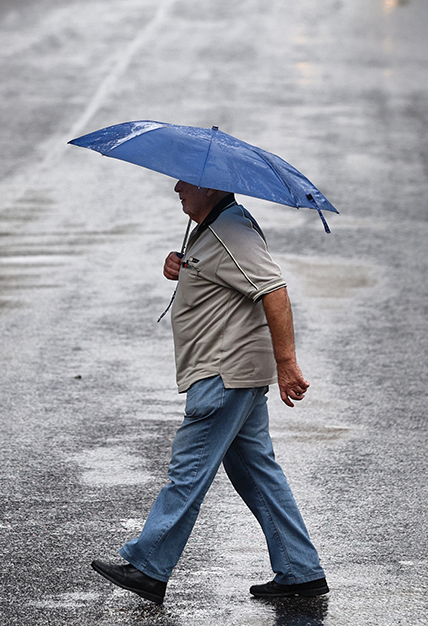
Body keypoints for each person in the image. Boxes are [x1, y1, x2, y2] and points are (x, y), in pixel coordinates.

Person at [90, 180, 329, 605]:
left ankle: (148, 566)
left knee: (188, 472)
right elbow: (221, 278)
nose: (177, 188)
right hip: (235, 374)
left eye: (187, 183)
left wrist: (288, 363)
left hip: (224, 375)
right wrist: (182, 267)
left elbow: (274, 290)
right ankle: (299, 570)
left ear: (212, 188)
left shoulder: (230, 230)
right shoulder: (214, 226)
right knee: (258, 475)